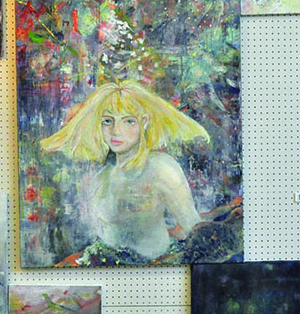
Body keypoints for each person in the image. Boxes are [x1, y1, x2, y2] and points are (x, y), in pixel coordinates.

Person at [41, 80, 210, 262]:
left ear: (144, 122)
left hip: (152, 267)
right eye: (107, 121)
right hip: (103, 264)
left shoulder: (161, 167)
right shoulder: (103, 176)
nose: (116, 131)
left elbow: (193, 228)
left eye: (129, 121)